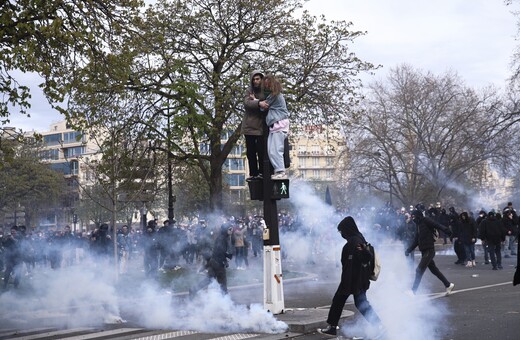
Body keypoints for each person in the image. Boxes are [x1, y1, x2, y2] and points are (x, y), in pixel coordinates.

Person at [318, 216, 385, 338]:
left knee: (351, 302)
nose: (341, 234)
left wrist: (364, 252)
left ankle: (379, 326)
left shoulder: (355, 241)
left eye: (341, 231)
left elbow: (365, 258)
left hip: (354, 280)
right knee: (352, 302)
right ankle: (332, 327)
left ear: (347, 229)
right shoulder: (358, 238)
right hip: (355, 279)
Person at [405, 209, 455, 295]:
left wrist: (447, 231)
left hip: (429, 250)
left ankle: (413, 291)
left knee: (419, 270)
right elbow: (416, 240)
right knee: (434, 270)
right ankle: (448, 284)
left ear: (418, 216)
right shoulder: (418, 225)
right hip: (424, 251)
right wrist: (409, 250)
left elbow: (437, 225)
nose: (412, 219)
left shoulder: (426, 220)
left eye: (413, 216)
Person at [190, 223, 234, 296]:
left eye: (231, 229)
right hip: (218, 263)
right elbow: (219, 252)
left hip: (214, 262)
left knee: (209, 280)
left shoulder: (222, 237)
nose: (231, 231)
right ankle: (226, 300)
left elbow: (219, 251)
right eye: (230, 229)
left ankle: (193, 289)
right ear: (225, 230)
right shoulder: (222, 238)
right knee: (222, 283)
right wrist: (225, 259)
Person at [263, 74, 290, 180]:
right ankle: (279, 170)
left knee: (275, 150)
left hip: (279, 125)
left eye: (267, 84)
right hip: (276, 126)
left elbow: (263, 106)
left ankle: (280, 171)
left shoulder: (275, 96)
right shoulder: (276, 95)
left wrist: (255, 100)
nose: (265, 87)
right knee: (271, 150)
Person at [242, 70, 267, 181]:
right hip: (249, 127)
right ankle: (253, 173)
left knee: (261, 151)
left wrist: (256, 101)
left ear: (261, 79)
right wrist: (258, 103)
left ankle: (262, 172)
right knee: (251, 152)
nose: (256, 81)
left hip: (261, 126)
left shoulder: (266, 90)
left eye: (258, 79)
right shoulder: (249, 91)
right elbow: (247, 103)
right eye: (254, 79)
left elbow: (268, 104)